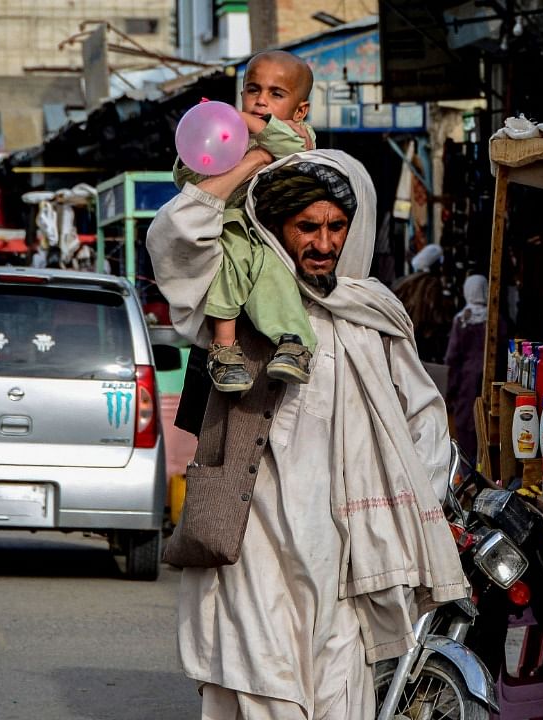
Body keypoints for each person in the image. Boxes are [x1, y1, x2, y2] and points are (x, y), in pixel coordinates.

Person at [147, 148, 467, 719]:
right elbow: (176, 234)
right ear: (275, 228)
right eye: (307, 227)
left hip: (345, 550)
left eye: (336, 226)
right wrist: (254, 160)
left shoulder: (373, 314)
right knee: (260, 676)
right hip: (254, 542)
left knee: (339, 692)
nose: (323, 243)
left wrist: (414, 507)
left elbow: (423, 418)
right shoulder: (235, 302)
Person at [174, 49, 320, 394]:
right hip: (230, 226)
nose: (260, 101)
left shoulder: (301, 132)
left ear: (300, 109)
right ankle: (224, 349)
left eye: (276, 94)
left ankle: (293, 343)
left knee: (275, 273)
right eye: (253, 90)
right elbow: (189, 179)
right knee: (231, 261)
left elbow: (293, 146)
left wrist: (246, 122)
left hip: (272, 232)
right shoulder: (223, 131)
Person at [444, 274, 489, 462]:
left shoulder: (462, 320)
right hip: (488, 380)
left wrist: (449, 390)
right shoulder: (495, 319)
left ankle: (469, 473)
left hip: (466, 383)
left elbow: (452, 357)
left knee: (466, 427)